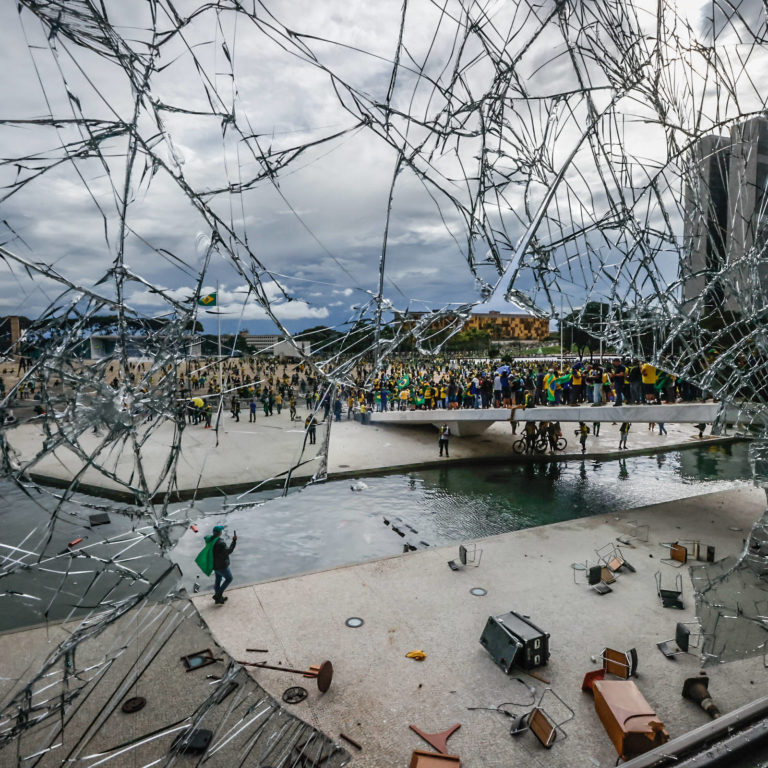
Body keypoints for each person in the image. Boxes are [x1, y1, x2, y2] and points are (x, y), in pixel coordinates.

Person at [211, 525, 237, 604]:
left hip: (214, 565)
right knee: (229, 579)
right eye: (221, 531)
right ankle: (218, 595)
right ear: (220, 533)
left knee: (218, 580)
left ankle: (218, 599)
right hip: (222, 566)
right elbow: (229, 551)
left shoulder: (211, 540)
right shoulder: (221, 543)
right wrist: (234, 541)